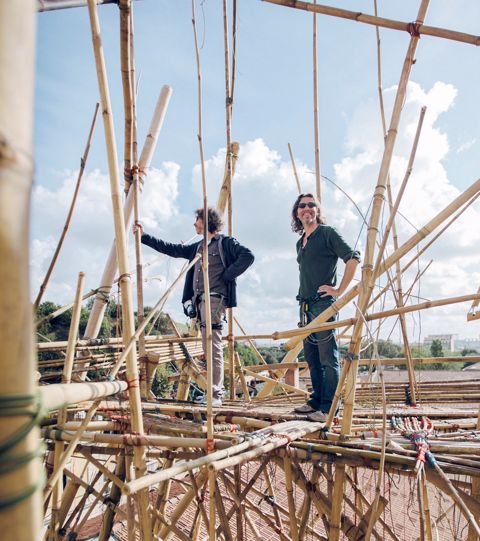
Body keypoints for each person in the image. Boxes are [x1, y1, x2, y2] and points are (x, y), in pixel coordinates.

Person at [136, 207, 254, 406]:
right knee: (209, 347)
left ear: (206, 222)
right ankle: (213, 392)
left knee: (213, 345)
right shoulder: (198, 247)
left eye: (197, 220)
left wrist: (226, 276)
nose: (194, 224)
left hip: (215, 299)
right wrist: (144, 237)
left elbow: (248, 256)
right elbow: (172, 249)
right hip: (201, 302)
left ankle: (216, 394)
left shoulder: (225, 243)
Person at [291, 193, 360, 422]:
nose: (307, 208)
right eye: (303, 206)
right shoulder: (300, 242)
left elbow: (352, 258)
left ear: (318, 211)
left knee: (328, 357)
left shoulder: (328, 233)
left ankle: (330, 406)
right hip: (305, 305)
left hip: (323, 304)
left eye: (312, 205)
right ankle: (317, 401)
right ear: (297, 212)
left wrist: (339, 290)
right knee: (311, 357)